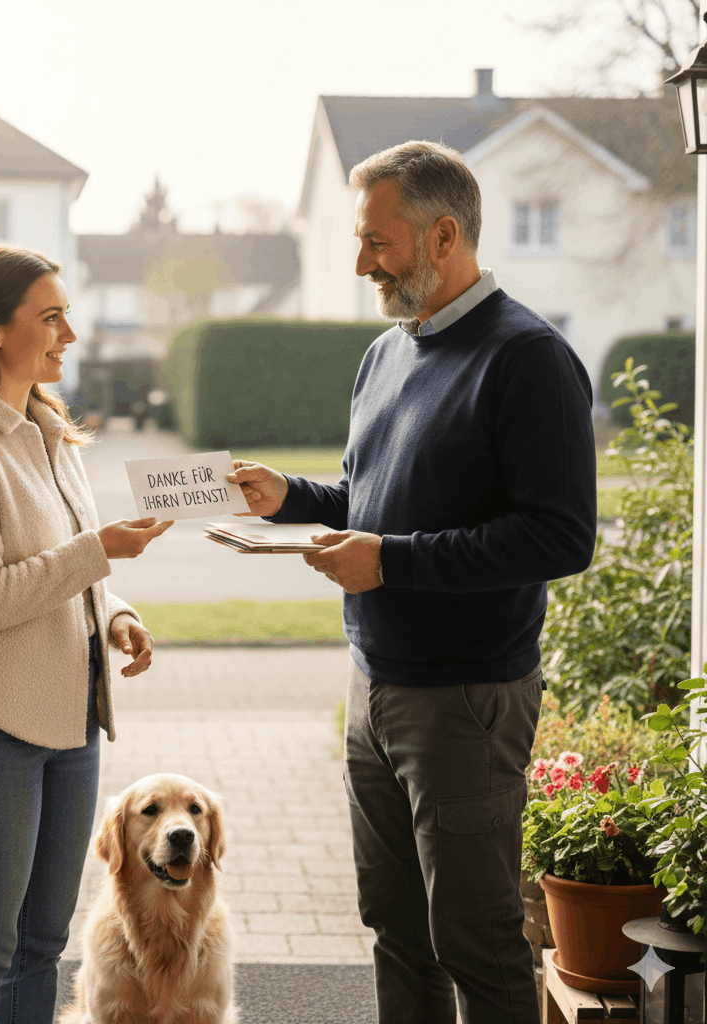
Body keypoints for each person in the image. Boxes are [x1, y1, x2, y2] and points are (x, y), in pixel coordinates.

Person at [228, 140, 597, 1024]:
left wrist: (391, 560)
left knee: (475, 938)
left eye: (377, 242)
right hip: (373, 687)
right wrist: (290, 497)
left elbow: (560, 536)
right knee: (394, 925)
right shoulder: (386, 353)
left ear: (443, 236)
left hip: (466, 699)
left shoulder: (529, 358)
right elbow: (371, 498)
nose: (362, 264)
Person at [0, 245, 173, 1024]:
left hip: (70, 722)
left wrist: (115, 614)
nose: (69, 335)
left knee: (42, 943)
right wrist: (99, 552)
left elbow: (63, 566)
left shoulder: (49, 432)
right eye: (50, 318)